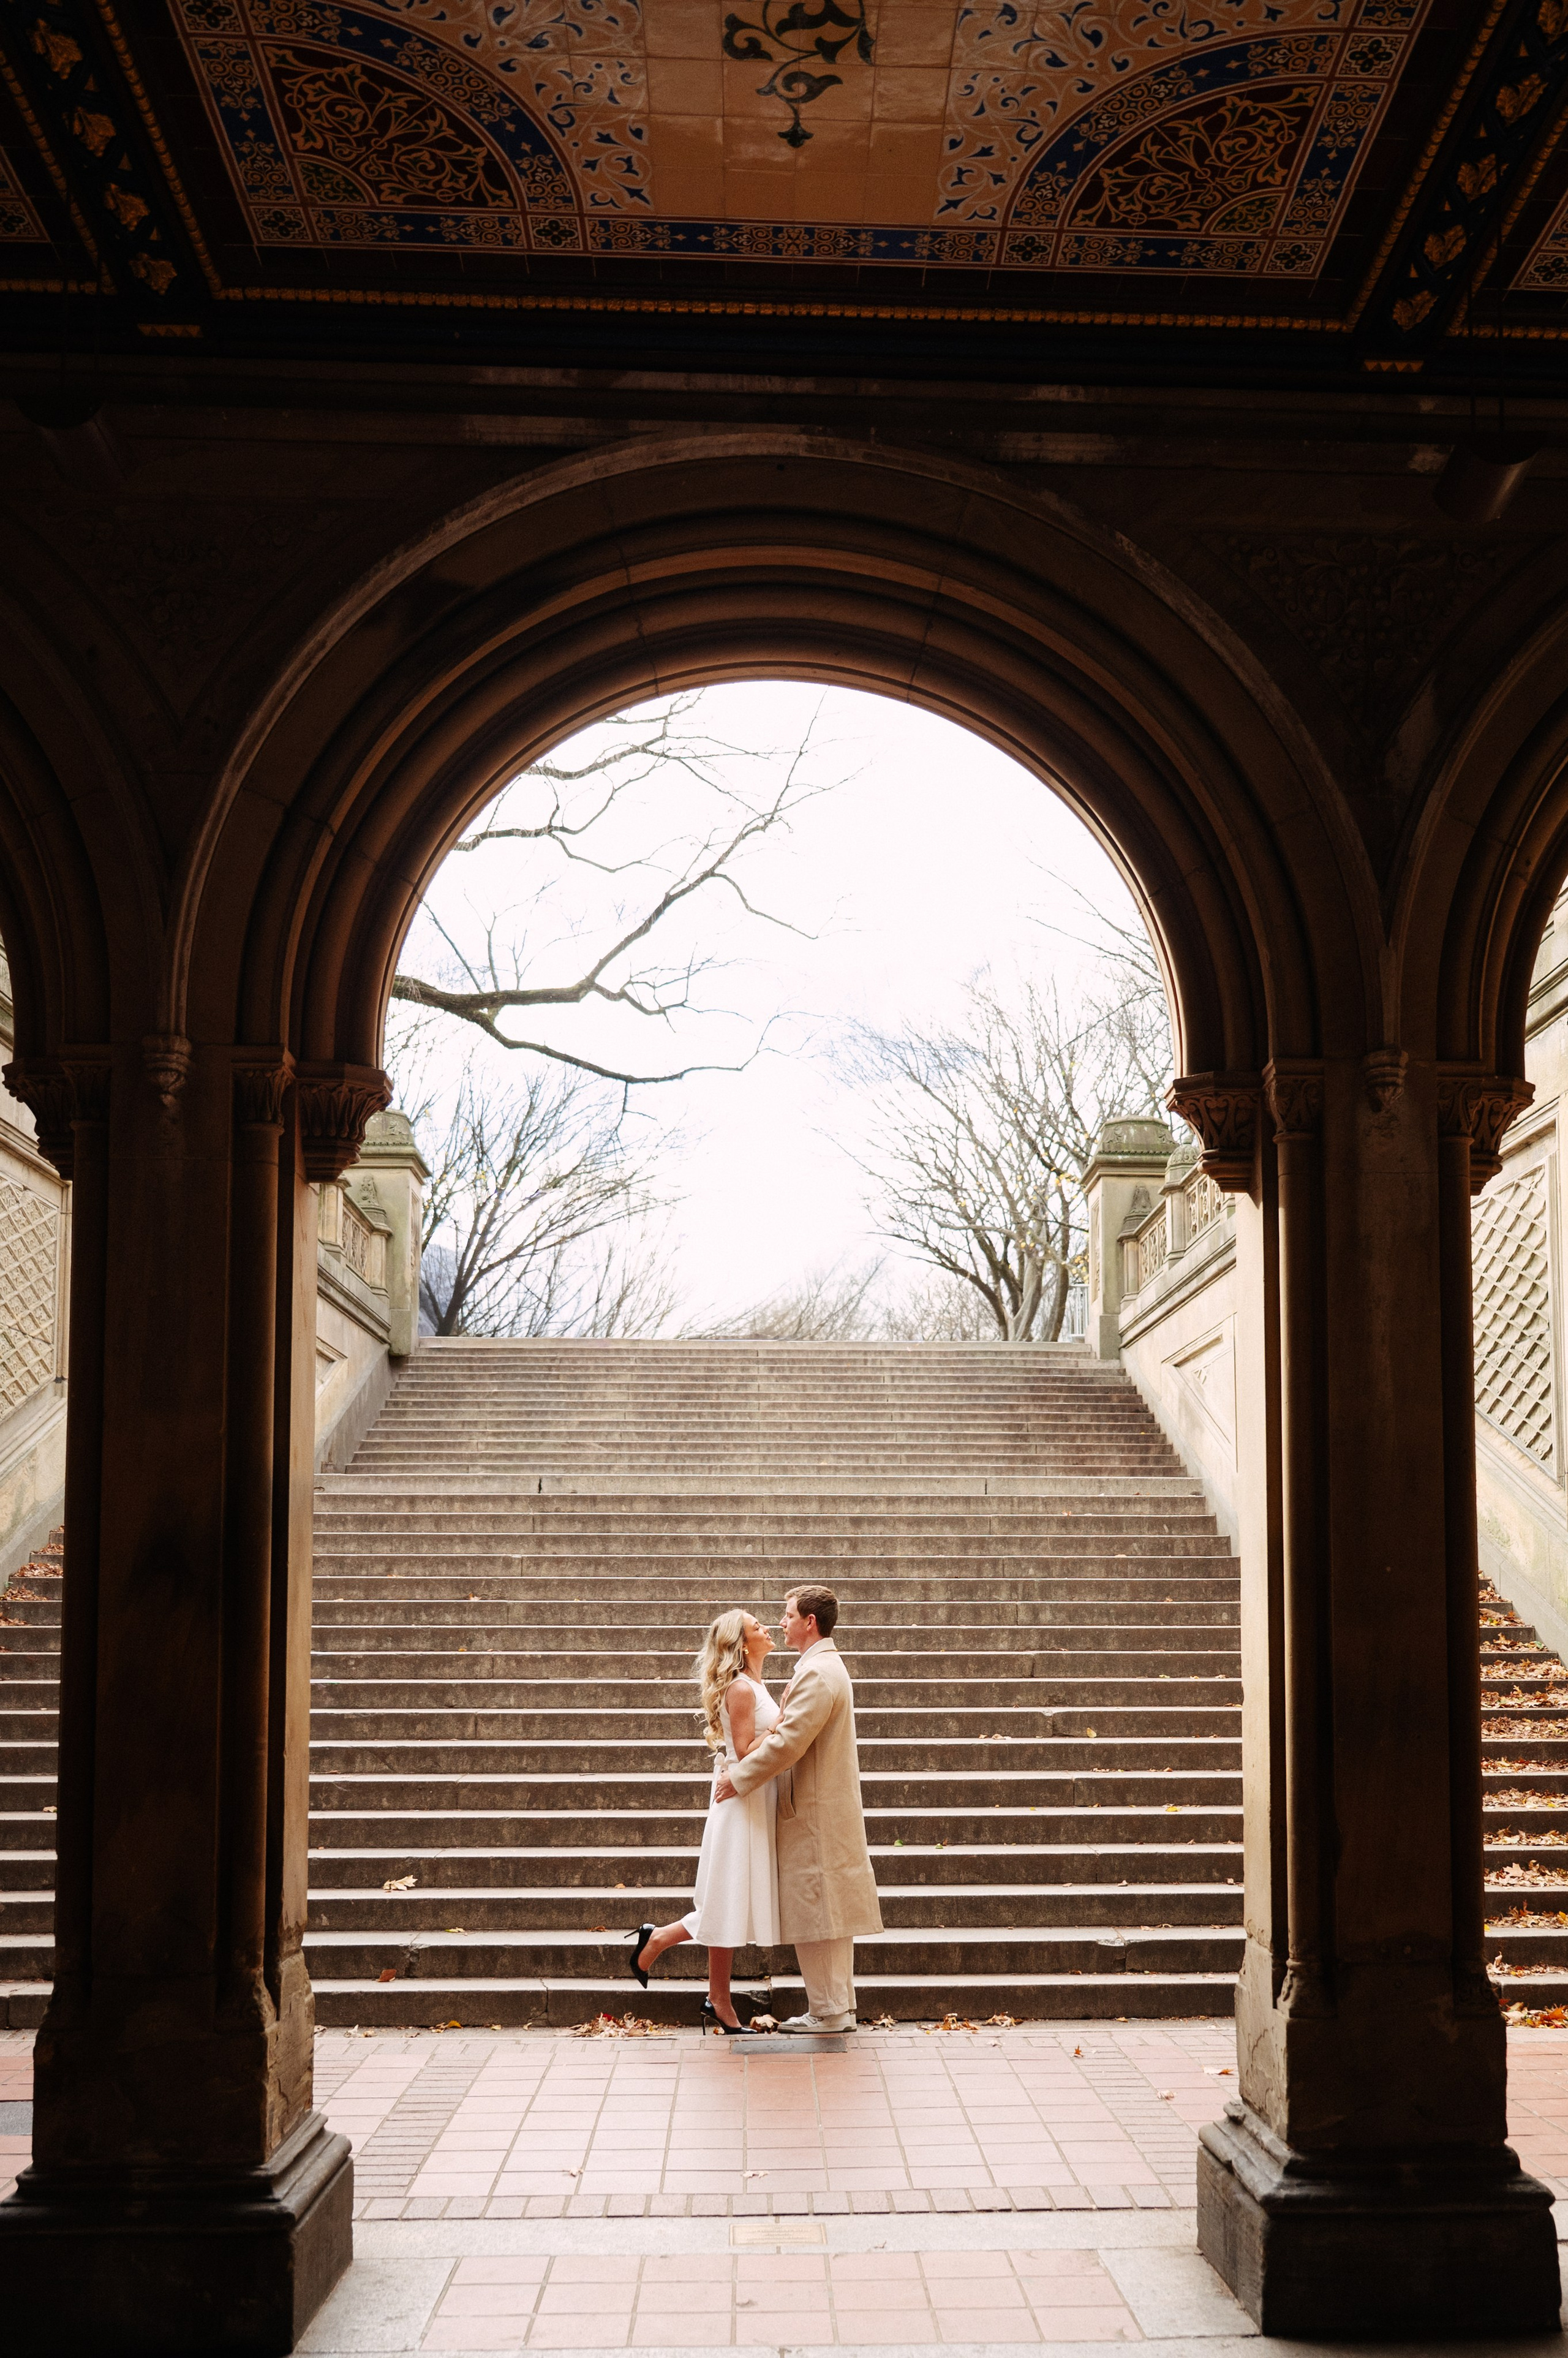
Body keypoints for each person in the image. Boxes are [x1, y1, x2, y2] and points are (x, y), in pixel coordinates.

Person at [714, 1584, 882, 2035]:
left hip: (814, 1810)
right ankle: (838, 2007)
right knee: (829, 1913)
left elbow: (789, 1742)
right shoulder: (822, 1668)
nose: (781, 1622)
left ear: (810, 1622)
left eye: (788, 1615)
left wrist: (739, 1778)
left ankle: (828, 2010)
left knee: (818, 1911)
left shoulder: (817, 1673)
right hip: (821, 1805)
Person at [627, 1609, 778, 2033]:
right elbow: (744, 1752)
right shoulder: (741, 1688)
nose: (768, 1628)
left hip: (752, 1800)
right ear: (742, 1644)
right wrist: (783, 1723)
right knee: (725, 1901)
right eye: (757, 1627)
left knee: (730, 1902)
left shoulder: (755, 1684)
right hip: (740, 1805)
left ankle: (681, 1961)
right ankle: (685, 1966)